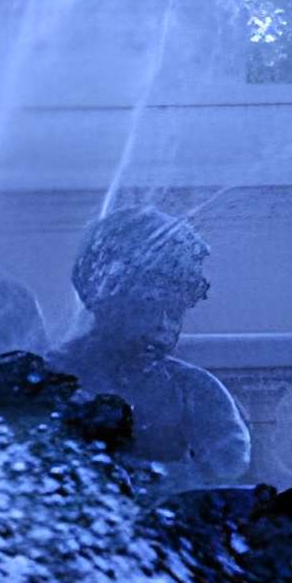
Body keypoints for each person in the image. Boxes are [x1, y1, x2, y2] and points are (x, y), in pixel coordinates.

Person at [47, 206, 250, 492]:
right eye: (146, 308)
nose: (162, 325)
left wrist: (166, 478)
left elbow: (229, 461)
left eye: (175, 311)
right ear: (100, 296)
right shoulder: (53, 377)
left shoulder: (192, 387)